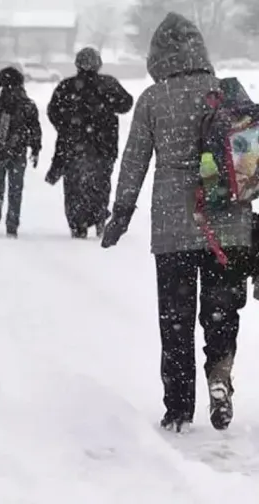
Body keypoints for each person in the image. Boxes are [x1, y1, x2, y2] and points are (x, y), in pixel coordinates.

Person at [101, 12, 252, 433]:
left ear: (157, 55)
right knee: (221, 312)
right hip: (229, 225)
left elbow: (133, 163)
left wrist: (121, 214)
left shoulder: (153, 98)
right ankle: (220, 376)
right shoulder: (226, 94)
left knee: (176, 320)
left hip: (173, 228)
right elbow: (249, 164)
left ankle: (179, 408)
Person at [46, 47, 134, 238]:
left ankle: (78, 223)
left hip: (73, 147)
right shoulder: (108, 84)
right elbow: (126, 103)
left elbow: (53, 111)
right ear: (98, 64)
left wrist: (67, 126)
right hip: (104, 146)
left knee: (74, 187)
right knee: (100, 184)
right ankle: (99, 216)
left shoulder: (67, 86)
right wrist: (107, 103)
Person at [0, 67, 42, 237]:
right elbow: (35, 129)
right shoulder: (28, 106)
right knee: (15, 189)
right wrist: (35, 148)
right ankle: (12, 223)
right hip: (18, 152)